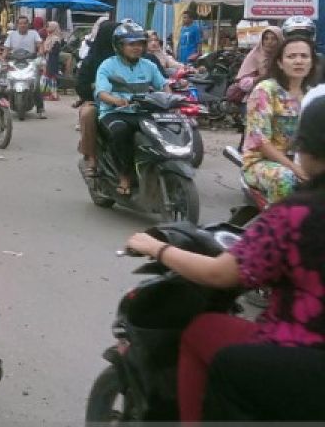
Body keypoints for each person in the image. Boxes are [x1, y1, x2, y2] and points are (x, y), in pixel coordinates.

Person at [124, 94, 325, 423]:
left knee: (201, 331)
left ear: (308, 148)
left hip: (301, 356)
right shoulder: (266, 91)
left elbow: (221, 275)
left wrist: (156, 248)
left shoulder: (295, 214)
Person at [95, 21, 169, 196]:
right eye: (131, 44)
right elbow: (102, 92)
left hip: (142, 112)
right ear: (119, 46)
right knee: (121, 133)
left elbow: (163, 85)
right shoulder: (108, 65)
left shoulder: (149, 65)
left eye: (140, 44)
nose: (137, 48)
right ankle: (124, 176)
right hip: (115, 113)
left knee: (165, 131)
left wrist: (169, 99)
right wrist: (115, 100)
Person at [241, 35, 317, 205]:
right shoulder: (266, 90)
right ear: (280, 63)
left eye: (304, 56)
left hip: (302, 161)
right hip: (262, 162)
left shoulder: (313, 94)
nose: (299, 61)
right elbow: (261, 142)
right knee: (287, 179)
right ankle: (279, 227)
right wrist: (296, 169)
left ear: (312, 62)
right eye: (291, 56)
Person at [77, 20, 117, 179]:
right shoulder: (92, 60)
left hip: (130, 101)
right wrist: (96, 89)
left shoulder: (137, 59)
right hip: (98, 100)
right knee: (88, 114)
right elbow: (81, 85)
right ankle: (91, 157)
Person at [5, 15, 46, 118]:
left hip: (30, 61)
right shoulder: (12, 35)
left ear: (28, 24)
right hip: (14, 62)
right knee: (5, 85)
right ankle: (1, 110)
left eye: (25, 23)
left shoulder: (34, 33)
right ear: (17, 25)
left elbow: (40, 45)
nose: (22, 25)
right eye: (20, 23)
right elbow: (6, 50)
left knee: (36, 85)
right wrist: (3, 58)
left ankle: (40, 109)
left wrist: (40, 52)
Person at [235, 25, 282, 90]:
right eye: (266, 38)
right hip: (257, 96)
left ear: (279, 41)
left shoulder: (285, 56)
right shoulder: (254, 55)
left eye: (273, 39)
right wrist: (260, 78)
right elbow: (243, 84)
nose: (269, 42)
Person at [41, 21, 63, 101]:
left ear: (53, 28)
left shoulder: (56, 39)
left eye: (49, 27)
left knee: (51, 77)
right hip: (47, 59)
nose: (47, 28)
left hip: (52, 60)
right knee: (46, 76)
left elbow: (55, 51)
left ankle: (54, 95)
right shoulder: (49, 37)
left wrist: (47, 50)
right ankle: (46, 93)